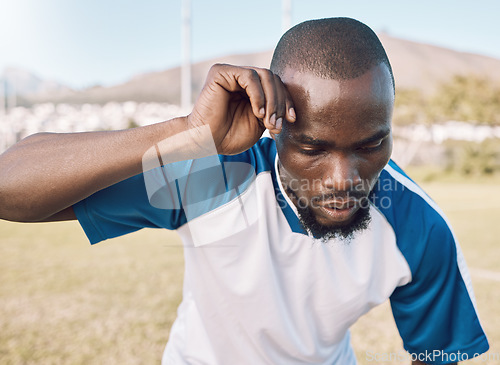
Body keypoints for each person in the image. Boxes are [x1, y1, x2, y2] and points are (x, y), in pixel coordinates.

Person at [0, 17, 489, 365]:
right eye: (313, 149)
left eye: (370, 143)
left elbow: (436, 354)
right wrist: (188, 133)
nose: (344, 177)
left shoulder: (420, 226)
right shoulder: (211, 175)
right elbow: (9, 188)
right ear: (273, 129)